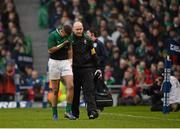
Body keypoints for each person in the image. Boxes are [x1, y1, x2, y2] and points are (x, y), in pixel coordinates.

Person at [69, 21, 102, 119]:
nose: (79, 31)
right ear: (73, 30)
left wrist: (98, 68)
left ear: (83, 29)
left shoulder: (88, 39)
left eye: (80, 29)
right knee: (75, 92)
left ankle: (92, 112)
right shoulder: (69, 40)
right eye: (77, 29)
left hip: (87, 68)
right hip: (74, 69)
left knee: (89, 91)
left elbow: (93, 54)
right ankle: (75, 113)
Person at [47, 24, 76, 120]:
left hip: (65, 62)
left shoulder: (69, 35)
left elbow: (70, 48)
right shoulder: (53, 35)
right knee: (55, 90)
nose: (67, 37)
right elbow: (50, 50)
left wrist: (70, 61)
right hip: (54, 62)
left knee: (71, 86)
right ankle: (54, 113)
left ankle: (68, 112)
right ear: (62, 31)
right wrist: (62, 45)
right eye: (66, 35)